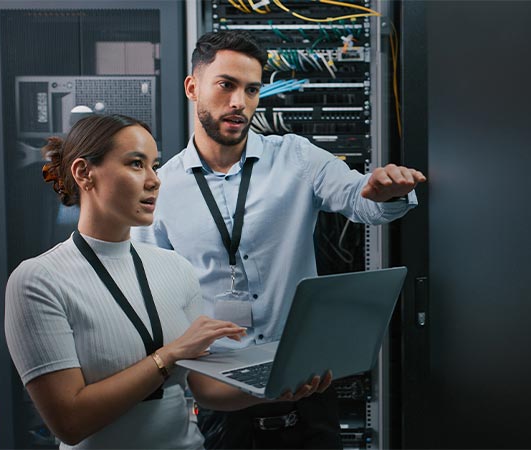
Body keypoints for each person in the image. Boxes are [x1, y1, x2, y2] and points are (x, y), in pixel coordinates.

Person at [130, 30, 426, 449]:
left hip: (307, 386)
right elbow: (153, 299)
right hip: (222, 397)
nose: (240, 102)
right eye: (226, 85)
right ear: (192, 88)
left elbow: (360, 200)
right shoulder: (161, 189)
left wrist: (385, 192)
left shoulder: (296, 157)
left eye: (252, 89)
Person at [4, 114, 328, 450]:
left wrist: (280, 387)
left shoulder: (176, 268)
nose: (154, 180)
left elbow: (206, 390)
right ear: (84, 173)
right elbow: (70, 423)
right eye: (136, 164)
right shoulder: (38, 281)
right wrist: (168, 356)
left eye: (155, 166)